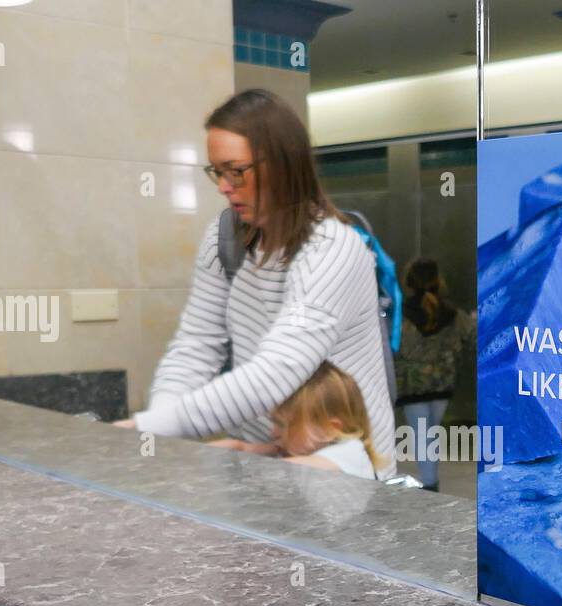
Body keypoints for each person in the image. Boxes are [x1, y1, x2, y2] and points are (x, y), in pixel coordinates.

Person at [116, 89, 396, 479]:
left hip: (343, 473)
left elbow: (276, 372)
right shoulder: (225, 238)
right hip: (269, 462)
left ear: (282, 165)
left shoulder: (333, 249)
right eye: (217, 171)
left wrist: (152, 427)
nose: (223, 187)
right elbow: (195, 347)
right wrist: (161, 429)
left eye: (237, 171)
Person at [212, 362, 385, 479]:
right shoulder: (301, 450)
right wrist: (232, 448)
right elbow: (242, 449)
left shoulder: (349, 453)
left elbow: (282, 472)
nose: (273, 432)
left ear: (328, 430)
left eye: (282, 425)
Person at [392, 258, 464, 491]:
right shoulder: (453, 314)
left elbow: (393, 346)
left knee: (422, 435)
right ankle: (431, 481)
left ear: (409, 282)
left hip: (413, 388)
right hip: (442, 386)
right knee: (430, 433)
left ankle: (431, 484)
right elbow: (470, 338)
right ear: (437, 280)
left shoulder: (399, 313)